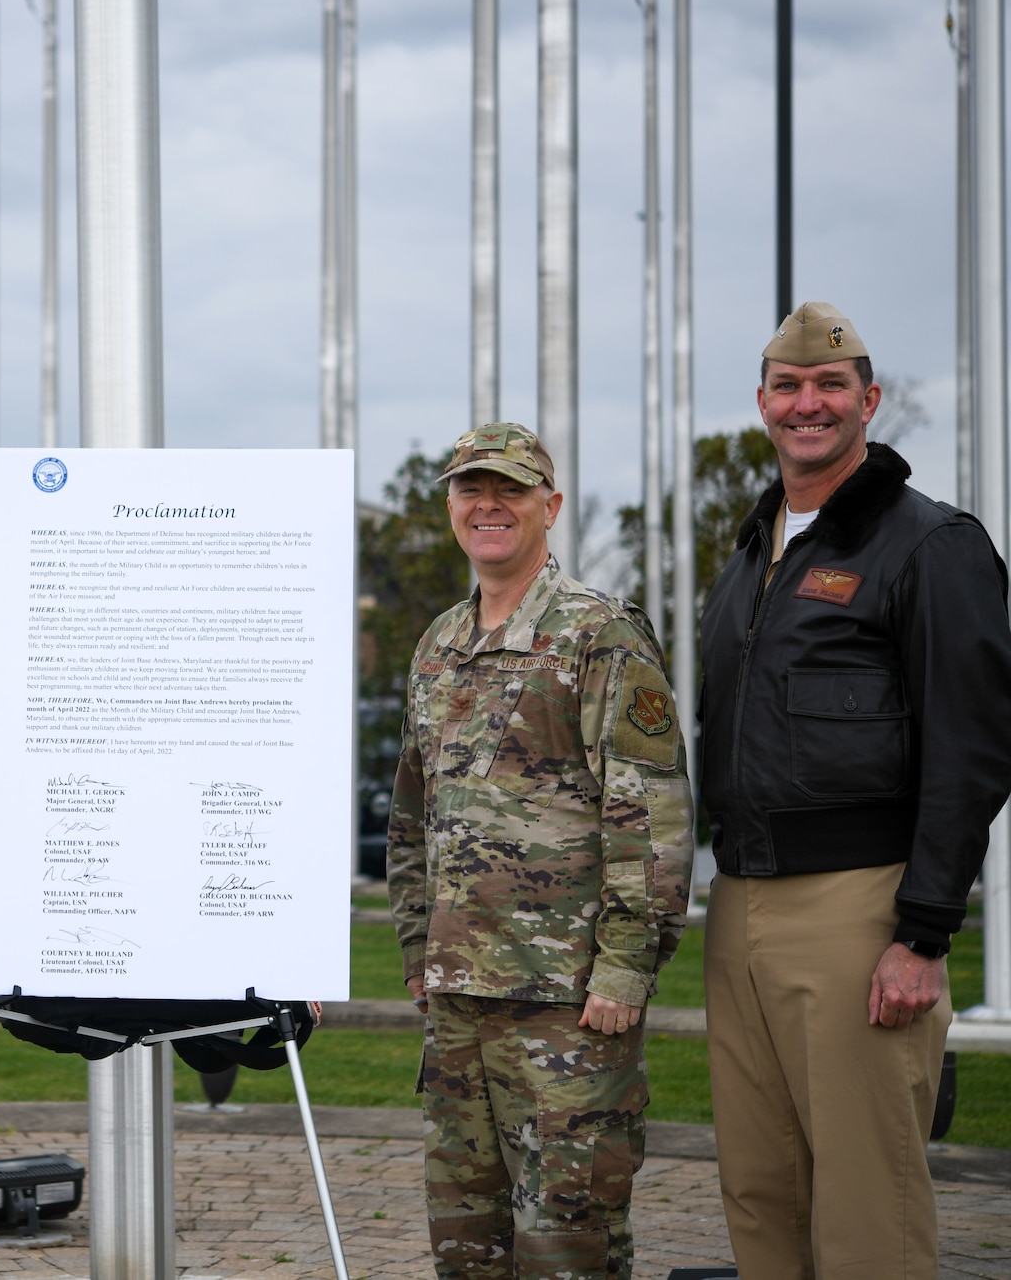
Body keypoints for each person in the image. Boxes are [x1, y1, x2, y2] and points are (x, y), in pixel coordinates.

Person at [697, 302, 1011, 1278]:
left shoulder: (927, 545)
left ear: (867, 401)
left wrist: (919, 934)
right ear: (760, 403)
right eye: (786, 386)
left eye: (828, 385)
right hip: (737, 900)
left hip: (858, 908)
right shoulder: (753, 551)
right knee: (759, 1191)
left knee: (863, 1200)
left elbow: (971, 749)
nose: (806, 403)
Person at [387, 422, 694, 1279]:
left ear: (549, 505)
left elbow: (651, 814)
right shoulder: (438, 644)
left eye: (511, 489)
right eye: (469, 488)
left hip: (563, 1006)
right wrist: (419, 949)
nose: (488, 504)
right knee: (467, 1248)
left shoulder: (600, 636)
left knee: (569, 1247)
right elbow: (413, 816)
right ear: (450, 506)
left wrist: (626, 968)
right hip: (457, 1008)